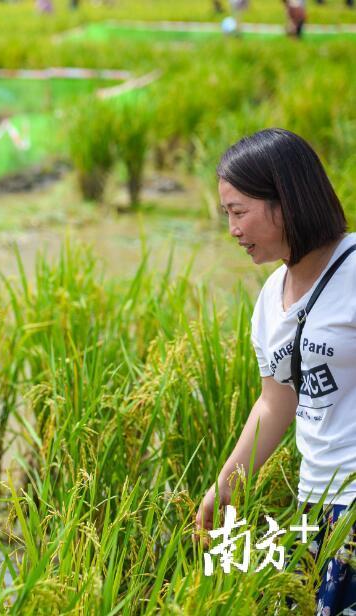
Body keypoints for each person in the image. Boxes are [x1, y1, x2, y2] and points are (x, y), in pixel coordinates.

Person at [196, 128, 355, 615]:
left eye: (239, 211)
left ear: (285, 200)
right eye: (227, 214)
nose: (232, 230)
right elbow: (275, 401)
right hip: (316, 500)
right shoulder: (271, 296)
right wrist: (225, 486)